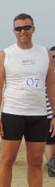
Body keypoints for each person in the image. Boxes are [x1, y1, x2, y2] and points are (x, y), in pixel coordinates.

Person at [0, 13, 55, 187]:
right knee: (7, 160)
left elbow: (51, 86)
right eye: (18, 29)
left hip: (38, 115)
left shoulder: (44, 53)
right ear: (14, 31)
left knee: (36, 162)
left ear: (33, 29)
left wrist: (54, 114)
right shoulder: (6, 54)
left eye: (26, 28)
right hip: (13, 114)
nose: (22, 32)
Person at [43, 45, 55, 177]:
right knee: (50, 140)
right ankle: (52, 167)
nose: (53, 59)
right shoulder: (44, 73)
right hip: (47, 113)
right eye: (51, 57)